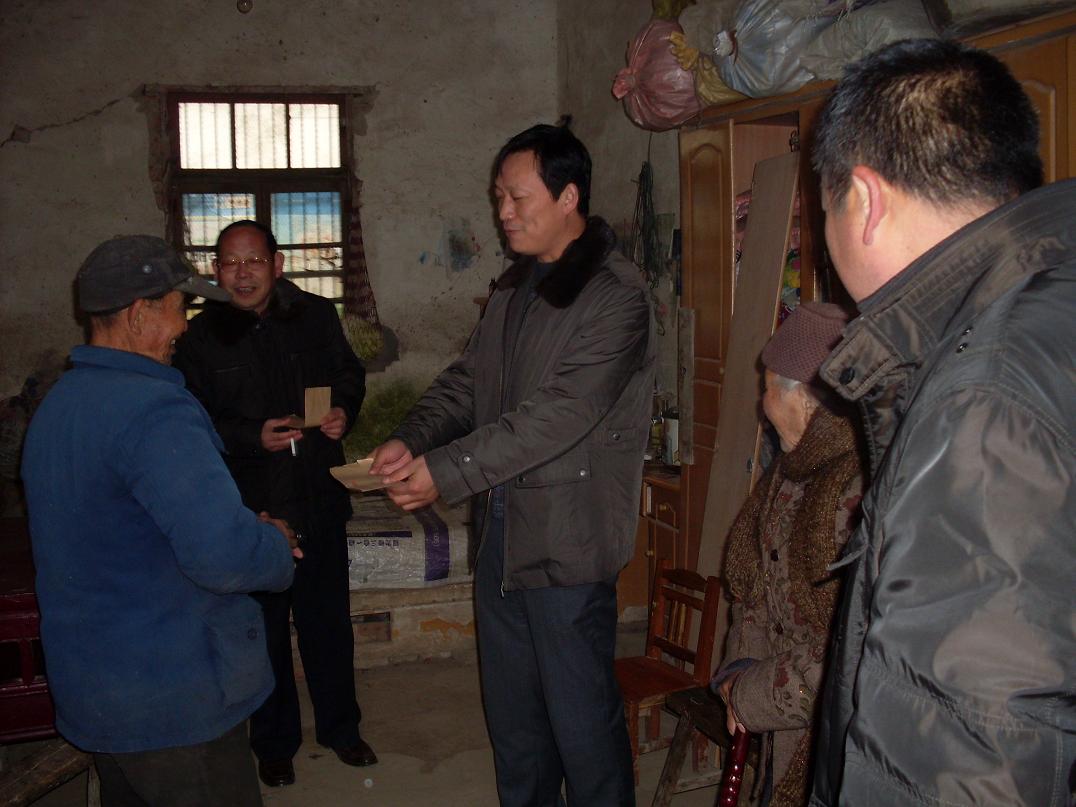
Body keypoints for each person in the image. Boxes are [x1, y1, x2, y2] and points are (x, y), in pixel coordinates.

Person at [808, 39, 1075, 806]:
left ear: (865, 200)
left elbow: (967, 747)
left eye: (823, 209)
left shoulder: (986, 401)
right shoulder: (1052, 304)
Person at [370, 123, 655, 806]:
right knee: (517, 729)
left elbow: (559, 414)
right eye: (499, 196)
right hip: (500, 535)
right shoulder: (514, 287)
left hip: (566, 544)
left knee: (583, 728)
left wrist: (447, 470)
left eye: (517, 196)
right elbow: (469, 380)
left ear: (568, 197)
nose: (503, 211)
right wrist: (412, 436)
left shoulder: (615, 294)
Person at [21, 235, 298, 807]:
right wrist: (272, 543)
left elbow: (123, 526)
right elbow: (223, 558)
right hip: (173, 699)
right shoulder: (154, 410)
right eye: (178, 308)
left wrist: (230, 524)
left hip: (101, 688)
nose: (184, 326)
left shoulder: (61, 403)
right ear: (138, 314)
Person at [173, 220, 374, 789]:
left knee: (327, 621)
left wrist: (343, 410)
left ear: (278, 264)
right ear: (216, 270)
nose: (243, 274)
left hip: (316, 493)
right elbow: (192, 419)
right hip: (251, 507)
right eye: (230, 263)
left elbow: (348, 373)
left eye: (255, 261)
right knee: (262, 629)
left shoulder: (316, 316)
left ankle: (341, 729)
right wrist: (247, 436)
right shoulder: (200, 337)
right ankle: (274, 743)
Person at [711, 302, 864, 807]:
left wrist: (752, 695)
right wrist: (740, 668)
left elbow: (849, 649)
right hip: (784, 717)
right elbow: (755, 586)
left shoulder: (856, 491)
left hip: (838, 738)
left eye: (770, 388)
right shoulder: (788, 472)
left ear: (806, 399)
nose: (763, 403)